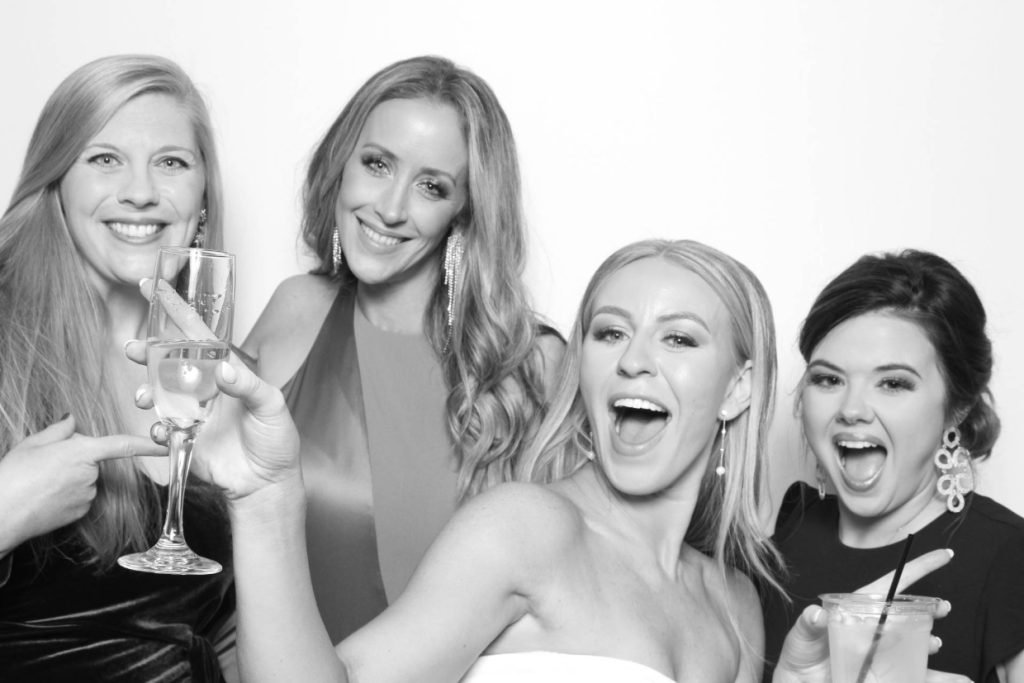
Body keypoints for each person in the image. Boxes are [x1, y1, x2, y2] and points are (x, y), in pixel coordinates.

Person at [241, 55, 563, 642]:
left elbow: (577, 580)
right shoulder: (296, 309)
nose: (390, 208)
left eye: (431, 186)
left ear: (464, 212)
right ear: (343, 162)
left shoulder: (530, 363)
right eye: (377, 164)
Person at [0, 55, 236, 682]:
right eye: (105, 159)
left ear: (203, 195)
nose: (140, 191)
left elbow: (230, 639)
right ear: (56, 182)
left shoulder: (218, 375)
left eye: (172, 162)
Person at [761, 250, 1024, 683]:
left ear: (957, 407)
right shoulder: (785, 538)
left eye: (893, 383)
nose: (851, 409)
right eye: (828, 379)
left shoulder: (1009, 558)